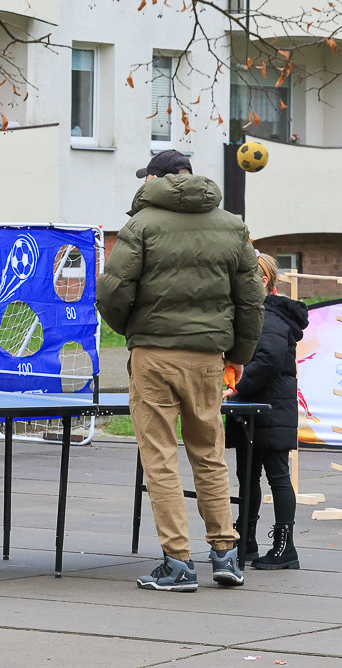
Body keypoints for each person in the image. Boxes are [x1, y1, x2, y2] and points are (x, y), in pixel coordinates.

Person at [98, 149, 265, 592]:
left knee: (160, 459)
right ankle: (226, 555)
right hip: (209, 356)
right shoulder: (232, 226)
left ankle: (178, 562)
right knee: (209, 454)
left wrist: (132, 330)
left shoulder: (141, 224)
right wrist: (239, 356)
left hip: (153, 353)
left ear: (155, 178)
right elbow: (251, 300)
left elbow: (112, 291)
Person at [225, 254, 307, 570]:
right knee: (247, 478)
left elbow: (268, 361)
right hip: (251, 410)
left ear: (262, 282)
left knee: (277, 476)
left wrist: (235, 388)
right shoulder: (254, 314)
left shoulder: (271, 318)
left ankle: (285, 548)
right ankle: (245, 541)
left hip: (271, 409)